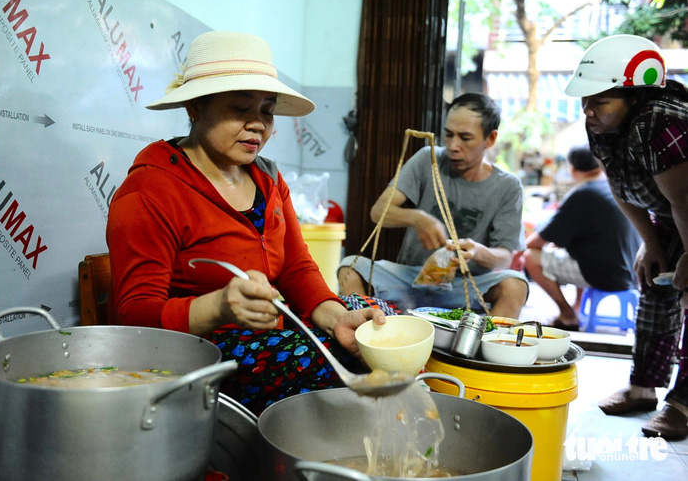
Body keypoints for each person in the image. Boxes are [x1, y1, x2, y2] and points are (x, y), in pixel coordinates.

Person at [106, 31, 386, 415]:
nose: (258, 125)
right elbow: (135, 318)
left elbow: (296, 268)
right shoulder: (150, 191)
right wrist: (219, 306)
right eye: (240, 108)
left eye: (267, 111)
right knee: (321, 358)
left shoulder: (268, 178)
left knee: (378, 326)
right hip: (198, 356)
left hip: (268, 333)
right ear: (194, 107)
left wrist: (338, 318)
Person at [564, 34, 688, 440]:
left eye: (599, 101)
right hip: (673, 216)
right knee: (654, 282)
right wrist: (650, 244)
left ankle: (683, 404)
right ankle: (642, 389)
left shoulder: (662, 122)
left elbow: (685, 197)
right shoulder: (603, 127)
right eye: (585, 100)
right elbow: (620, 184)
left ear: (635, 96)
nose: (588, 110)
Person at [338, 93, 529, 318]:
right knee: (349, 269)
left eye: (465, 138)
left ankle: (486, 348)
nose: (453, 146)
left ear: (491, 139)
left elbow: (504, 256)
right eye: (448, 135)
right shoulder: (428, 159)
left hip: (464, 285)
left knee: (516, 286)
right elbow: (378, 212)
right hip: (410, 278)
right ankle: (364, 344)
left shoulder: (507, 186)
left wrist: (476, 251)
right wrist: (418, 218)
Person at [520, 146, 642, 331]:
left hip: (608, 275)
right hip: (633, 273)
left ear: (572, 169)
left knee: (530, 256)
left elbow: (537, 241)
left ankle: (568, 315)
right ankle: (576, 308)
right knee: (577, 247)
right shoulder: (612, 186)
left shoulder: (583, 193)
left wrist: (516, 251)